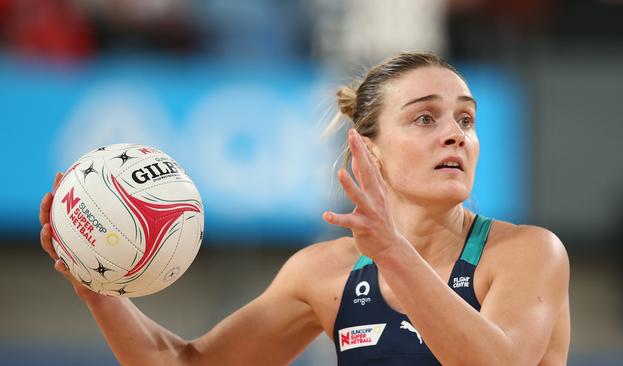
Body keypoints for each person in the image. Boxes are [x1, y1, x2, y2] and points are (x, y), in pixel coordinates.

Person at [39, 51, 570, 365]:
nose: (455, 135)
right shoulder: (326, 273)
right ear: (369, 148)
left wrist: (392, 252)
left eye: (466, 120)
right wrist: (100, 292)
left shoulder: (526, 254)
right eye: (425, 119)